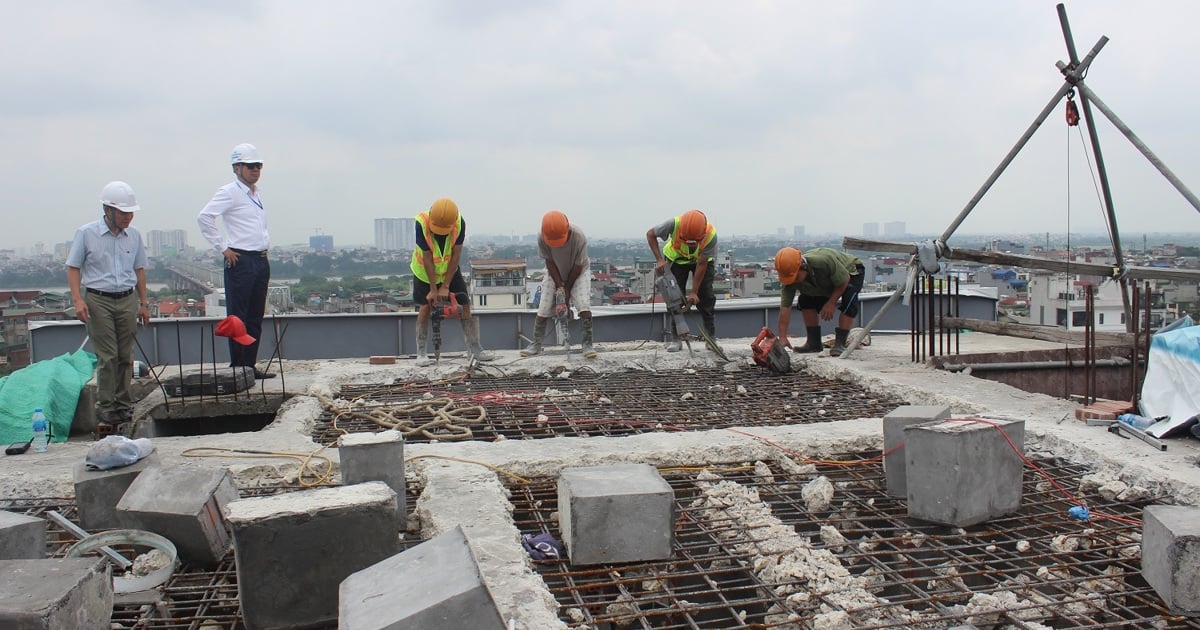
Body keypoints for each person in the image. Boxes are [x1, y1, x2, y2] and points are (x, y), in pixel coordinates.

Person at [66, 181, 150, 427]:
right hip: (98, 300)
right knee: (108, 356)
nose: (128, 218)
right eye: (123, 213)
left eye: (130, 213)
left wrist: (143, 303)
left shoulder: (133, 236)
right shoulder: (87, 233)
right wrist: (77, 300)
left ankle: (123, 405)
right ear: (108, 210)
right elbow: (73, 267)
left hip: (126, 298)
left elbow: (139, 270)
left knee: (125, 355)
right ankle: (106, 406)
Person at [197, 143, 274, 379]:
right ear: (237, 167)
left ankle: (249, 366)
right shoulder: (229, 191)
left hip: (260, 260)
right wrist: (223, 248)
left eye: (258, 166)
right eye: (250, 166)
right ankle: (239, 367)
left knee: (255, 316)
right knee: (238, 317)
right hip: (241, 260)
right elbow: (204, 218)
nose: (255, 170)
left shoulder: (255, 193)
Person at [409, 197, 495, 366]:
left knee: (464, 303)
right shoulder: (421, 222)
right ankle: (421, 352)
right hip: (424, 273)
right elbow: (426, 256)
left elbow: (456, 255)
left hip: (449, 270)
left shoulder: (458, 223)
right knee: (425, 306)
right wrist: (434, 289)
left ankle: (475, 348)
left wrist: (446, 286)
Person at [521, 210, 597, 358]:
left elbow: (578, 266)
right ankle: (536, 343)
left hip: (579, 272)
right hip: (554, 270)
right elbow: (549, 262)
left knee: (583, 305)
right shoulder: (542, 237)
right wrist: (559, 285)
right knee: (544, 307)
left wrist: (566, 291)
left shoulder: (578, 236)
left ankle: (587, 344)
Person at [645, 209, 717, 351]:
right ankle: (676, 339)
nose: (690, 244)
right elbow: (650, 234)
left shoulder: (710, 235)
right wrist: (659, 259)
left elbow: (702, 264)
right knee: (674, 298)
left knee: (706, 298)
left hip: (701, 262)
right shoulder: (673, 224)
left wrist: (694, 292)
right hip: (676, 261)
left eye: (693, 242)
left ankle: (711, 339)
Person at [774, 246, 865, 356]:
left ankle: (840, 343)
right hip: (826, 281)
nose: (793, 281)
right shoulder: (790, 280)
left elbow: (844, 281)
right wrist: (782, 337)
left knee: (849, 299)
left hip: (851, 271)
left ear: (803, 266)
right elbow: (785, 308)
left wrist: (831, 303)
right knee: (805, 300)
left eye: (795, 277)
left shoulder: (822, 262)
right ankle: (813, 343)